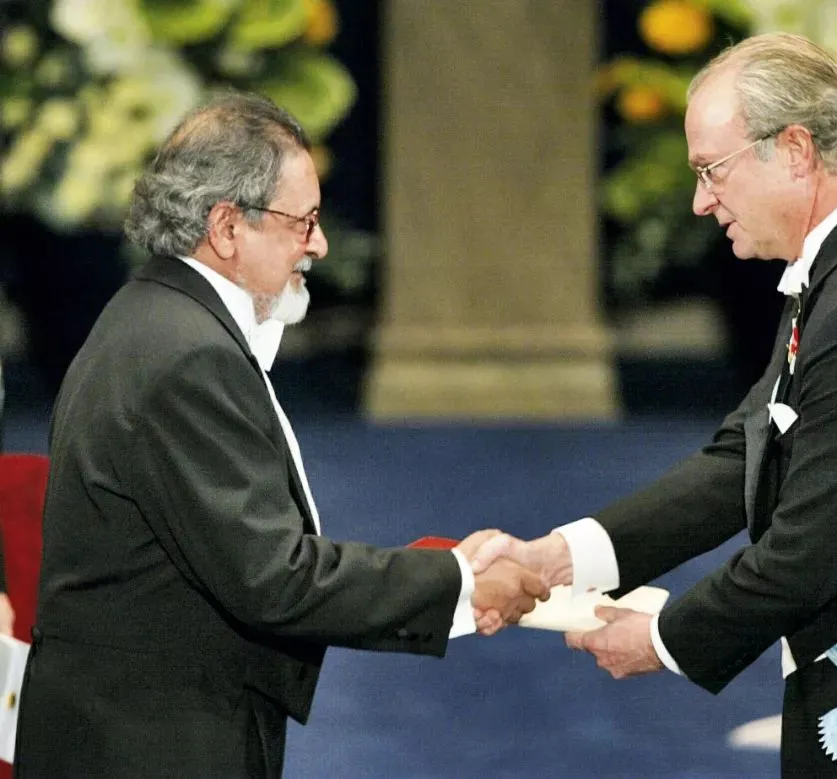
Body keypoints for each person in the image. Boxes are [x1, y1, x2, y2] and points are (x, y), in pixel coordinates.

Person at [472, 32, 837, 778]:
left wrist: (662, 640)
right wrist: (559, 558)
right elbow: (745, 453)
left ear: (797, 151)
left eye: (712, 170)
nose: (700, 200)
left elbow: (806, 554)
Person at [13, 92, 547, 778]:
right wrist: (459, 583)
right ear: (228, 226)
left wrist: (451, 576)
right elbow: (274, 578)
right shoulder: (186, 355)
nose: (318, 245)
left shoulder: (154, 317)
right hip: (151, 746)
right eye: (305, 222)